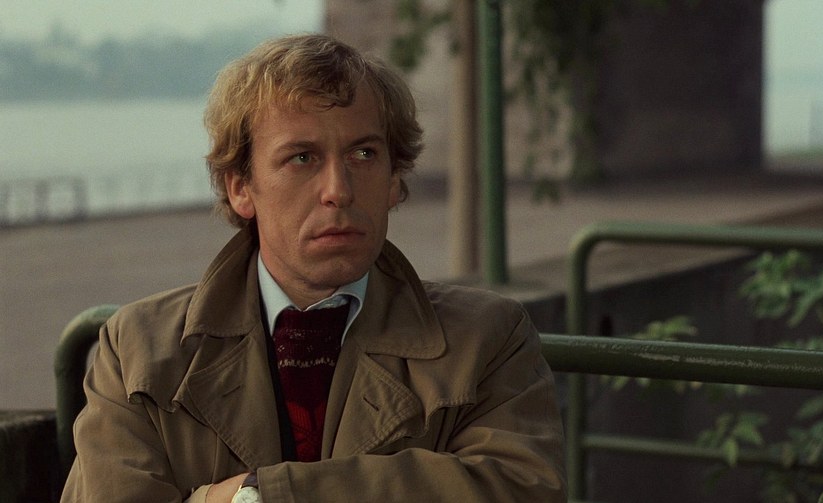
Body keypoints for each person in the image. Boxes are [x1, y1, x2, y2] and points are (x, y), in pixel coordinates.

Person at [61, 34, 566, 502]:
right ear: (240, 187)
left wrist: (260, 495)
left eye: (364, 153)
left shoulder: (486, 338)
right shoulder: (137, 349)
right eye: (302, 158)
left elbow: (522, 490)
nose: (338, 190)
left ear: (394, 180)